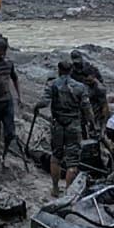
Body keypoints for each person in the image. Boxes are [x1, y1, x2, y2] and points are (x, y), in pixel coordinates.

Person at [36, 61, 89, 197]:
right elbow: (86, 108)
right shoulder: (80, 87)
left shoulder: (52, 84)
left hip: (58, 124)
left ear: (59, 70)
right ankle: (68, 192)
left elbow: (44, 102)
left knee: (56, 156)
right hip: (73, 125)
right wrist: (90, 122)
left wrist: (36, 106)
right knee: (72, 161)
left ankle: (55, 188)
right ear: (71, 70)